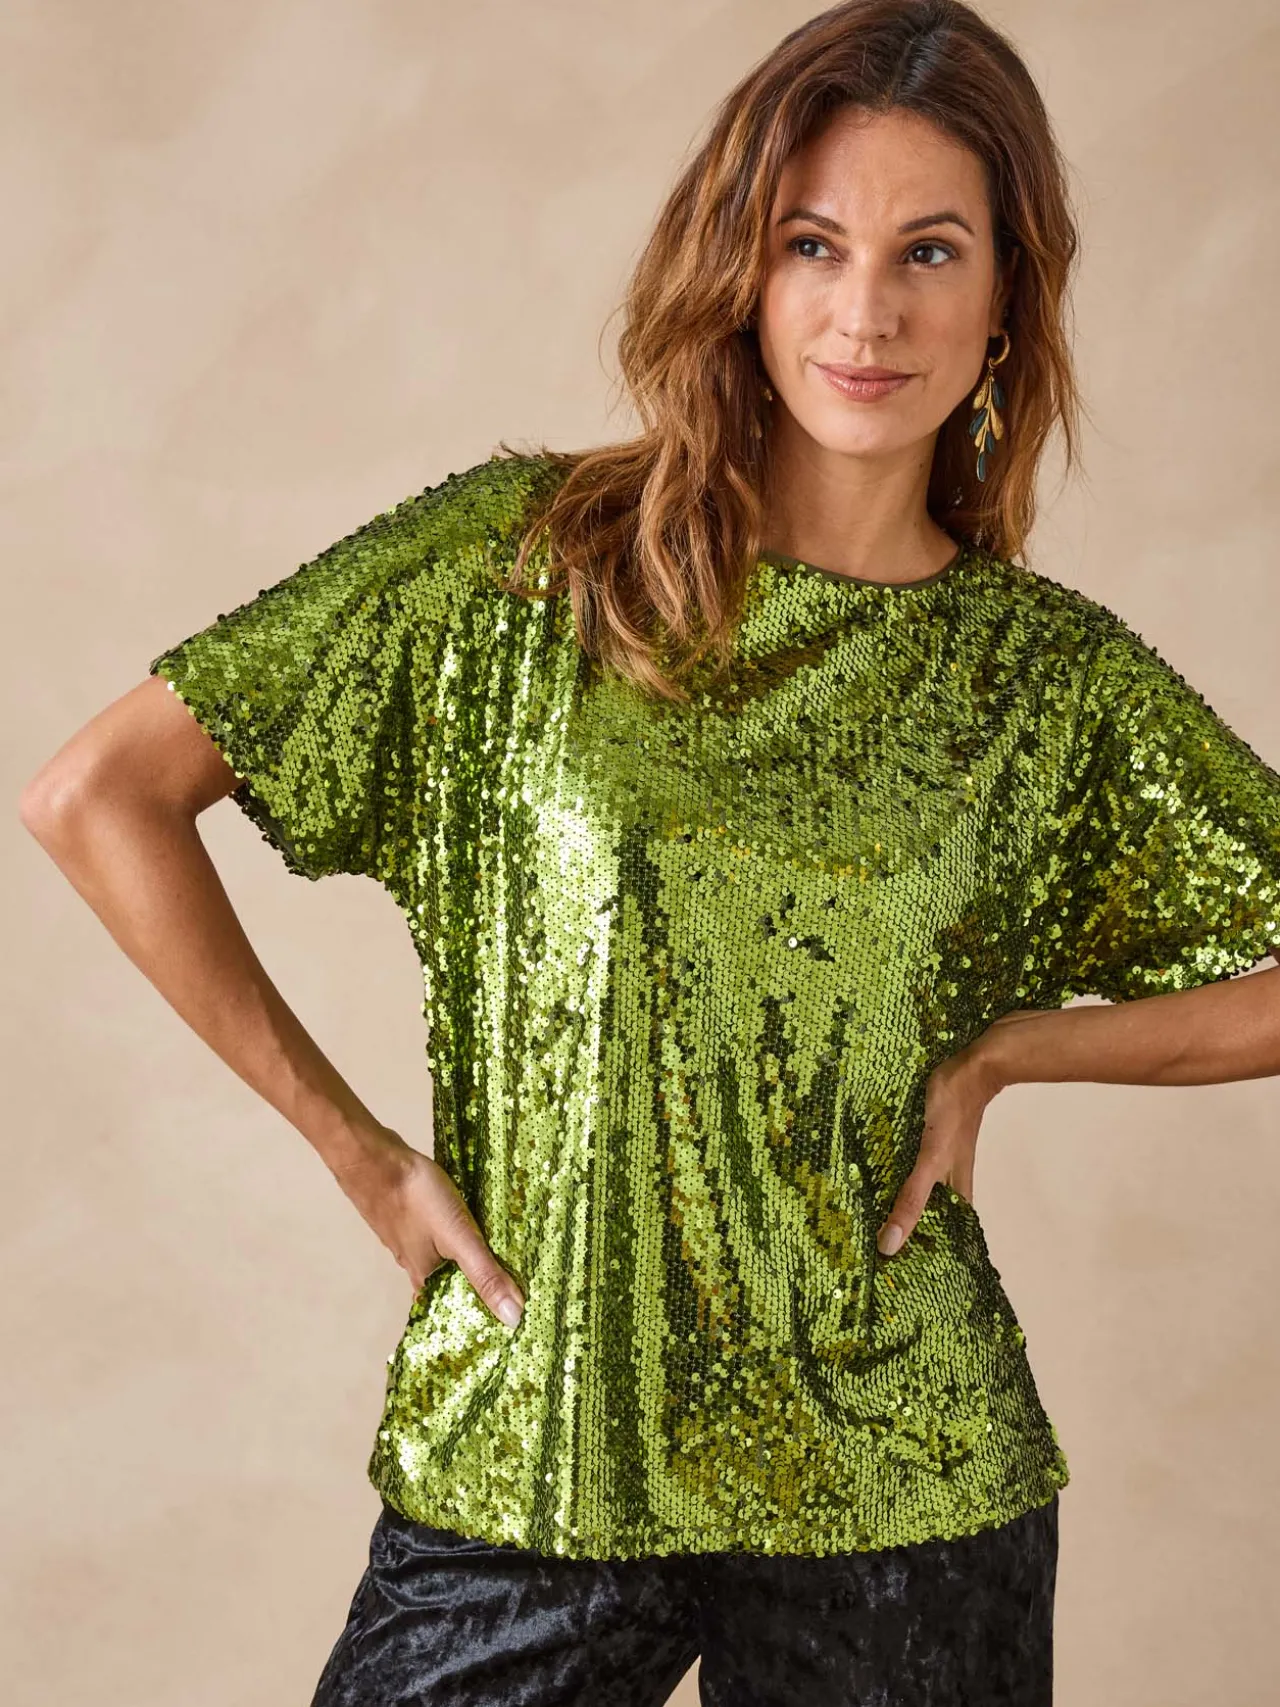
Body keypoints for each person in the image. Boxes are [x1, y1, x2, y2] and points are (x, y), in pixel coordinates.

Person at [20, 1, 1280, 1703]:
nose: (867, 310)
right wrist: (362, 1155)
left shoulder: (1047, 683)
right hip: (541, 1437)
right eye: (813, 243)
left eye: (930, 251)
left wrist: (1012, 1051)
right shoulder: (528, 565)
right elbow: (97, 794)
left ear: (1005, 303)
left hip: (902, 1482)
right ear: (743, 270)